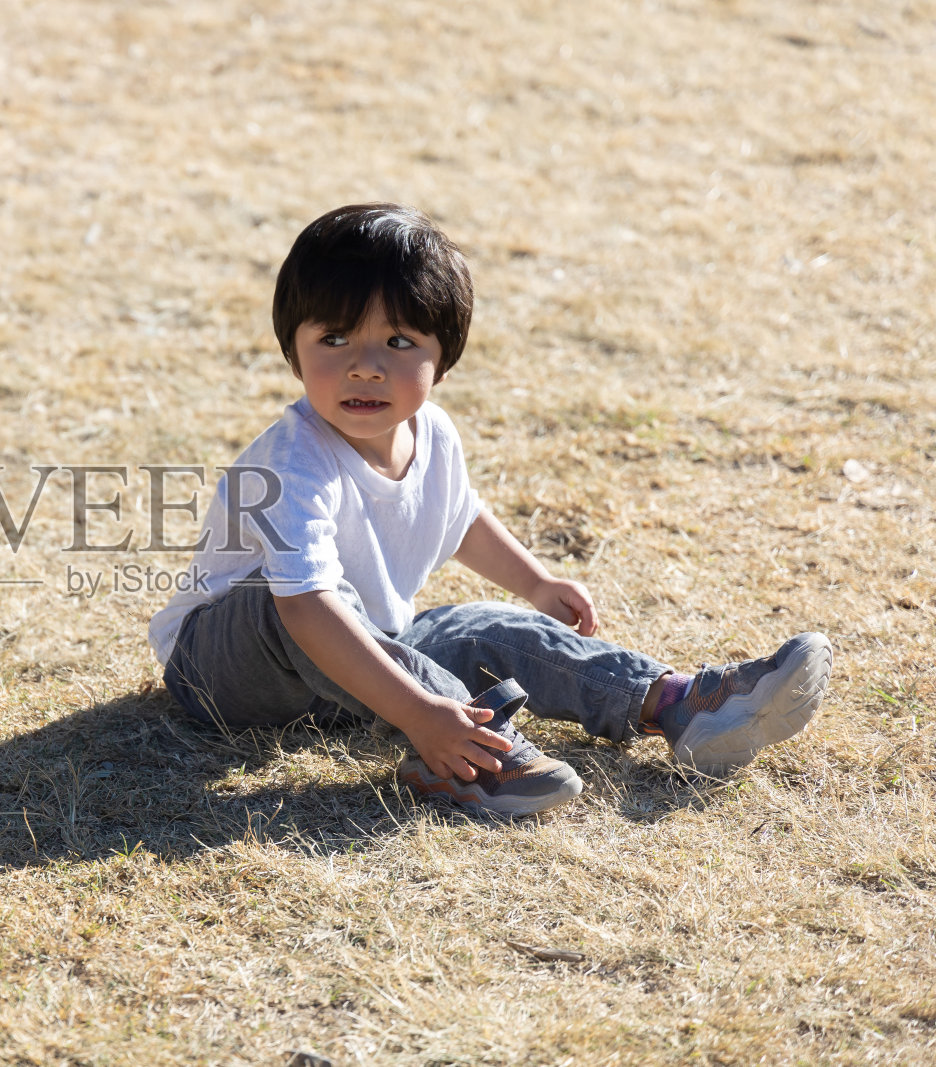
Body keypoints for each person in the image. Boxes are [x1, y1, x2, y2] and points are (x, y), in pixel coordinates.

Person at [149, 203, 832, 817]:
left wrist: (534, 582)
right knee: (291, 597)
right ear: (292, 350)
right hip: (228, 669)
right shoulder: (294, 460)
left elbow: (460, 516)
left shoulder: (435, 434)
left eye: (398, 342)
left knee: (483, 628)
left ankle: (679, 703)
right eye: (334, 340)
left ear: (442, 357)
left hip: (359, 665)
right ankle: (465, 752)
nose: (364, 367)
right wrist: (420, 711)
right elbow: (302, 611)